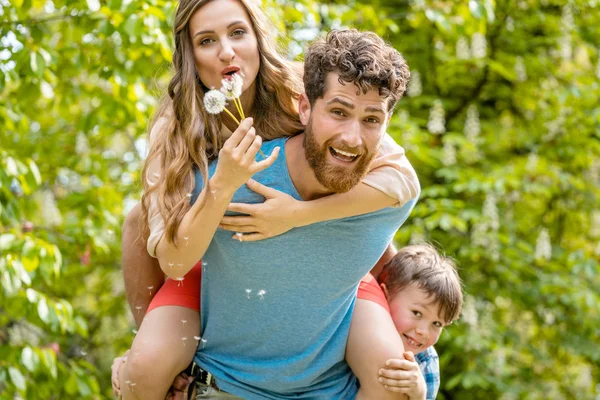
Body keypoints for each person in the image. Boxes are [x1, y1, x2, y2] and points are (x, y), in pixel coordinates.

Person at [114, 1, 417, 398]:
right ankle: (154, 345)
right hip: (211, 251)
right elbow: (166, 251)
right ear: (189, 53)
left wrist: (298, 214)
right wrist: (223, 183)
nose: (226, 51)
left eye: (237, 33)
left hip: (323, 248)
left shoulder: (302, 90)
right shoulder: (175, 128)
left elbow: (398, 180)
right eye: (207, 40)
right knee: (139, 219)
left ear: (257, 37)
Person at [350, 244, 463, 400]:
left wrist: (419, 393)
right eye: (417, 313)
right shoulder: (356, 320)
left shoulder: (426, 361)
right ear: (384, 295)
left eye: (437, 324)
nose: (424, 331)